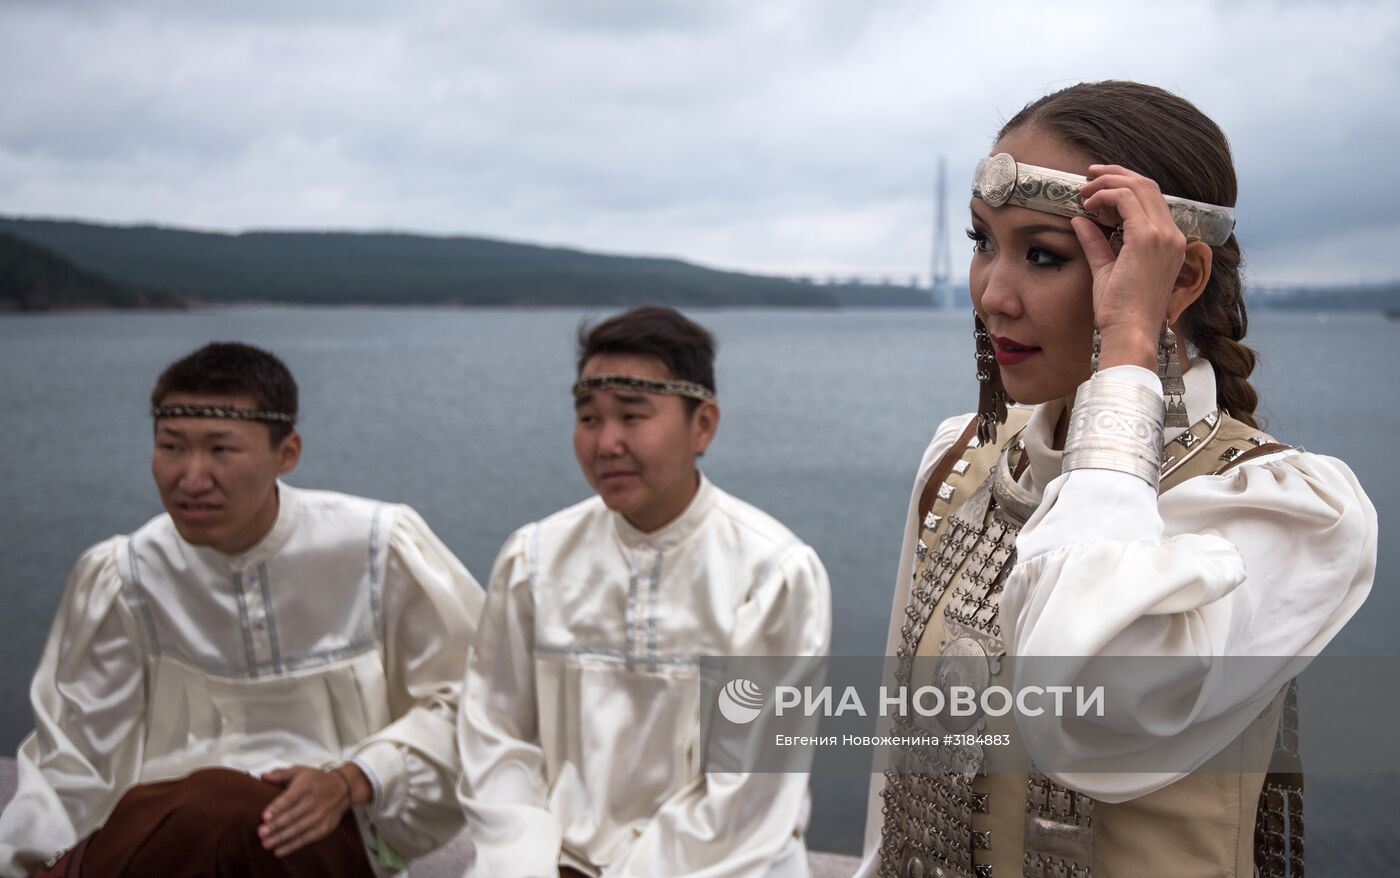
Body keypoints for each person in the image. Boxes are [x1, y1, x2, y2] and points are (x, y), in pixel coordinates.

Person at [856, 81, 1377, 877]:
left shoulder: (1285, 515)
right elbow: (896, 782)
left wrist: (1126, 346)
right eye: (983, 241)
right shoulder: (959, 462)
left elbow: (1081, 714)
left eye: (1044, 255)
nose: (993, 294)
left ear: (1179, 279)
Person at [0, 342, 484, 876]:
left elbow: (476, 699)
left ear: (288, 453)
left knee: (221, 805)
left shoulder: (376, 547)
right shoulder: (126, 576)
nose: (191, 478)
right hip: (165, 844)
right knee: (209, 808)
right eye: (172, 447)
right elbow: (74, 757)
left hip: (328, 837)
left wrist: (355, 777)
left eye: (221, 450)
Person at [456, 305, 832, 877]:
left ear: (702, 424)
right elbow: (495, 738)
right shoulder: (534, 559)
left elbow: (752, 791)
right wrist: (525, 863)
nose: (606, 443)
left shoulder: (771, 573)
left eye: (632, 417)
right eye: (588, 419)